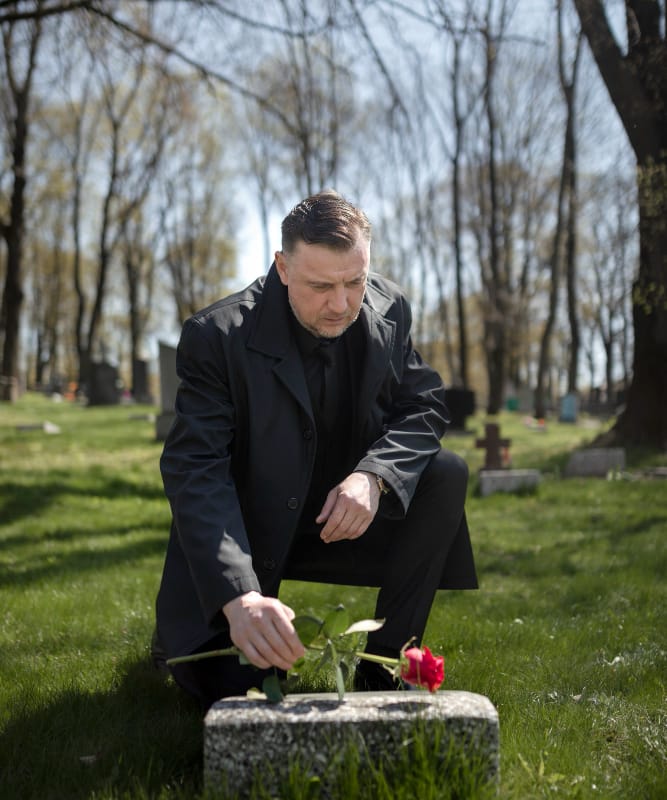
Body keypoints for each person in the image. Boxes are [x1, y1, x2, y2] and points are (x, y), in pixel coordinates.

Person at [153, 190, 477, 709]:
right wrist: (239, 597)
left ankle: (386, 663)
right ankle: (217, 626)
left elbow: (425, 407)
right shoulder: (215, 337)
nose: (342, 303)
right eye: (321, 285)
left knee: (445, 472)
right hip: (252, 532)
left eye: (355, 281)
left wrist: (374, 476)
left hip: (346, 519)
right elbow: (197, 472)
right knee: (240, 690)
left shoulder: (389, 309)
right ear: (281, 267)